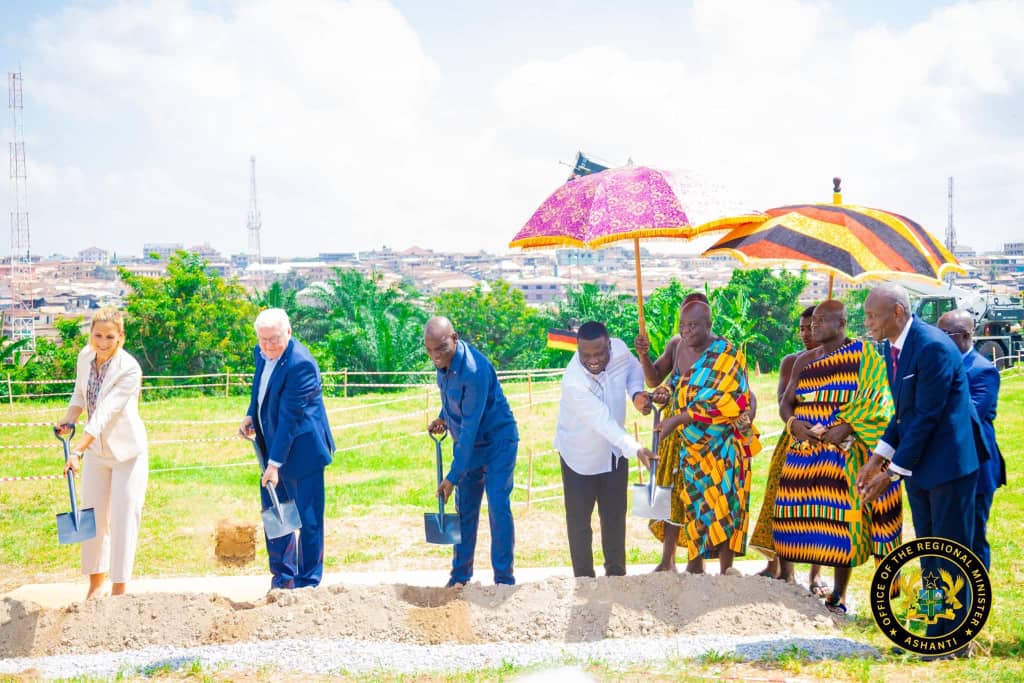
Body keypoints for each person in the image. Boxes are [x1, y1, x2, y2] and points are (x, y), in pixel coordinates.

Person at [857, 283, 983, 642]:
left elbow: (927, 415)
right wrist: (877, 457)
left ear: (897, 312)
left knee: (952, 553)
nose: (867, 323)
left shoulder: (932, 347)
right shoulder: (891, 348)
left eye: (872, 315)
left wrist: (891, 474)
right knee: (929, 553)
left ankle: (958, 637)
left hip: (948, 467)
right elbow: (903, 414)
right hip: (921, 469)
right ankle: (934, 629)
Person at [773, 300, 901, 614]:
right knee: (797, 518)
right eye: (812, 321)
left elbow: (879, 401)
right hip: (806, 452)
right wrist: (794, 424)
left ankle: (839, 594)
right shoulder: (804, 361)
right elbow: (785, 403)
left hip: (845, 454)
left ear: (842, 323)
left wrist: (846, 426)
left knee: (842, 523)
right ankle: (794, 582)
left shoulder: (864, 356)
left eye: (821, 321)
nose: (814, 326)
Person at [643, 300, 761, 575]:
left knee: (725, 501)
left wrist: (680, 418)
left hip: (722, 444)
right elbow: (674, 385)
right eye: (682, 325)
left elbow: (735, 398)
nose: (687, 331)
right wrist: (664, 393)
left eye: (693, 325)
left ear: (709, 325)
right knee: (695, 501)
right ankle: (695, 564)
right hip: (691, 444)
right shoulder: (679, 348)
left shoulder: (728, 354)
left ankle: (726, 570)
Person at [57, 307, 148, 600]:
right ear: (90, 335)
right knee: (92, 516)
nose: (103, 342)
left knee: (123, 518)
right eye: (98, 335)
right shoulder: (85, 358)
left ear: (120, 336)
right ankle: (95, 585)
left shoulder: (129, 369)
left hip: (127, 453)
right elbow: (80, 395)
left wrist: (77, 450)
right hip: (96, 449)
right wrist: (68, 420)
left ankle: (119, 588)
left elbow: (105, 411)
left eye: (110, 336)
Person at [239, 308, 334, 590]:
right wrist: (250, 415)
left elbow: (291, 417)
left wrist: (274, 464)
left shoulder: (300, 364)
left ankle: (308, 582)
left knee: (308, 520)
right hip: (272, 449)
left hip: (303, 453)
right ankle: (283, 579)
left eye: (274, 339)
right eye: (262, 339)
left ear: (289, 332)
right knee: (275, 515)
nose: (268, 346)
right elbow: (261, 389)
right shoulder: (262, 354)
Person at [553, 321, 655, 578]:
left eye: (599, 353)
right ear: (577, 350)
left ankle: (616, 577)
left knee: (614, 519)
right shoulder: (574, 382)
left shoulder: (620, 350)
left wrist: (636, 394)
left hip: (614, 454)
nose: (593, 360)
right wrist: (637, 449)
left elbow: (633, 368)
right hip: (579, 458)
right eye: (586, 355)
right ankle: (585, 580)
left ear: (609, 344)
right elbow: (604, 424)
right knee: (579, 525)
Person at [425, 317, 519, 587]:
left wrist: (452, 477)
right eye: (429, 350)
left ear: (455, 338)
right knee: (465, 509)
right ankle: (460, 577)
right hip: (469, 444)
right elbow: (454, 398)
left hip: (497, 442)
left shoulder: (474, 370)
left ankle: (504, 579)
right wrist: (444, 416)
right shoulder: (443, 363)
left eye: (440, 348)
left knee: (498, 506)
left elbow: (469, 427)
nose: (435, 356)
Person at [749, 305, 827, 587]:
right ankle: (784, 570)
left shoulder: (841, 361)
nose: (807, 334)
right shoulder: (792, 361)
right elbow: (784, 399)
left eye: (813, 328)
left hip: (826, 440)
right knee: (784, 502)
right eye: (803, 328)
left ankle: (816, 575)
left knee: (818, 507)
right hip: (794, 437)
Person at [937, 309, 1006, 570]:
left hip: (976, 466)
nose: (938, 340)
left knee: (973, 538)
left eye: (945, 335)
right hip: (945, 468)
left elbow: (969, 417)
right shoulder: (940, 366)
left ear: (966, 336)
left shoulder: (983, 371)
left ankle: (976, 600)